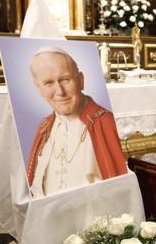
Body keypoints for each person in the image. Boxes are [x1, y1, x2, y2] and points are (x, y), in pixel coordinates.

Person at [26, 47, 127, 198]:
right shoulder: (44, 127)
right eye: (48, 83)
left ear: (81, 80)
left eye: (65, 79)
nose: (60, 91)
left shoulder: (105, 122)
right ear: (39, 88)